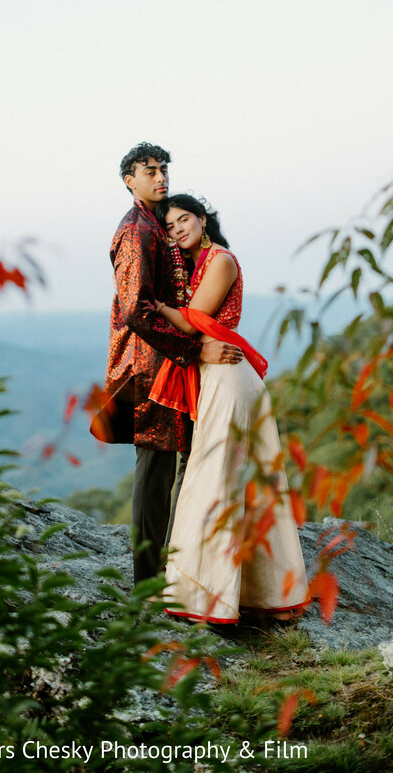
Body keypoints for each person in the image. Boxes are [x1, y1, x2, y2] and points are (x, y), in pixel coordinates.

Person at [151, 194, 310, 624]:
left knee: (213, 476)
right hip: (220, 375)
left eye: (184, 219)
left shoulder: (220, 260)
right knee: (239, 481)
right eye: (170, 226)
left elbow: (193, 319)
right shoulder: (196, 265)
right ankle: (262, 597)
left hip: (229, 377)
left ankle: (203, 597)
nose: (178, 229)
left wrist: (156, 306)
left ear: (202, 220)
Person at [90, 144, 243, 584]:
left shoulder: (159, 225)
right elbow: (136, 310)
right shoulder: (136, 231)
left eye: (163, 170)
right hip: (148, 365)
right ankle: (147, 582)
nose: (160, 178)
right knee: (155, 470)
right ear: (129, 181)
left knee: (186, 464)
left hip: (171, 363)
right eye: (149, 172)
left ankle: (179, 570)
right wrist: (194, 351)